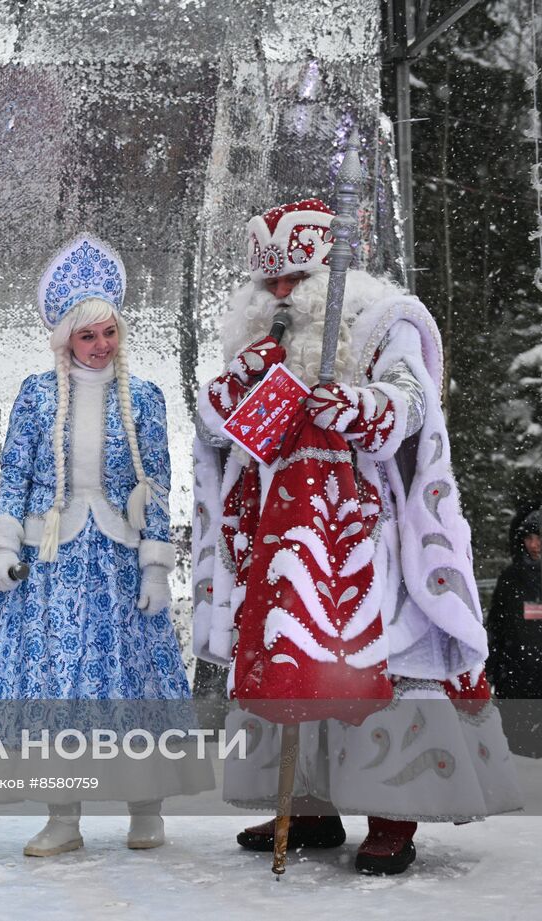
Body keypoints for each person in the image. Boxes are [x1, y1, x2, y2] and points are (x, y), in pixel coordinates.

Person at [192, 199, 522, 875]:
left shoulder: (379, 317)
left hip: (365, 527)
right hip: (279, 527)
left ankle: (392, 809)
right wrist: (233, 393)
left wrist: (364, 405)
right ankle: (308, 802)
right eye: (269, 282)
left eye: (294, 278)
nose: (281, 292)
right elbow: (221, 433)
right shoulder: (250, 334)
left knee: (381, 657)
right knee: (292, 646)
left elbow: (413, 397)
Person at [0, 235, 211, 857]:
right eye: (89, 336)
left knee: (130, 681)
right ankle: (64, 816)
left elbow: (154, 487)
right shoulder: (36, 394)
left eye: (109, 332)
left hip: (116, 561)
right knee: (60, 689)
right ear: (65, 340)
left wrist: (157, 567)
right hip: (52, 562)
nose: (101, 345)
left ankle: (146, 806)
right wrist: (2, 547)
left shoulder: (144, 398)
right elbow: (13, 472)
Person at [486, 509, 542, 700]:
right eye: (529, 538)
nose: (534, 545)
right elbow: (496, 627)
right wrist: (491, 672)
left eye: (539, 537)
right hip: (514, 679)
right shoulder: (510, 579)